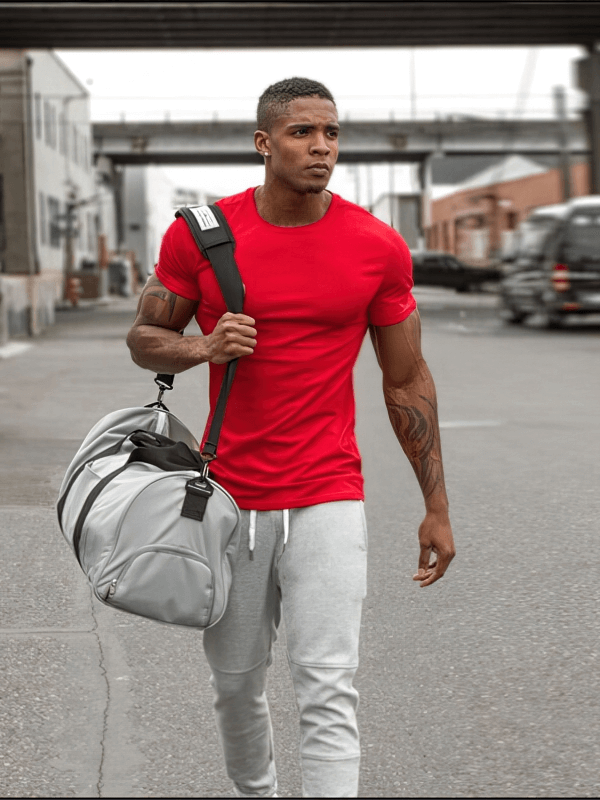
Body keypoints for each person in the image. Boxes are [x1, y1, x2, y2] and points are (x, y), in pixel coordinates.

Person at [126, 77, 455, 799]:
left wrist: (437, 503)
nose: (322, 148)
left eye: (332, 133)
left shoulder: (376, 246)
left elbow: (406, 381)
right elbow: (146, 339)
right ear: (264, 142)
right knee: (237, 682)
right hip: (228, 498)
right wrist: (202, 350)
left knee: (328, 684)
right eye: (304, 132)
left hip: (328, 493)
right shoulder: (202, 235)